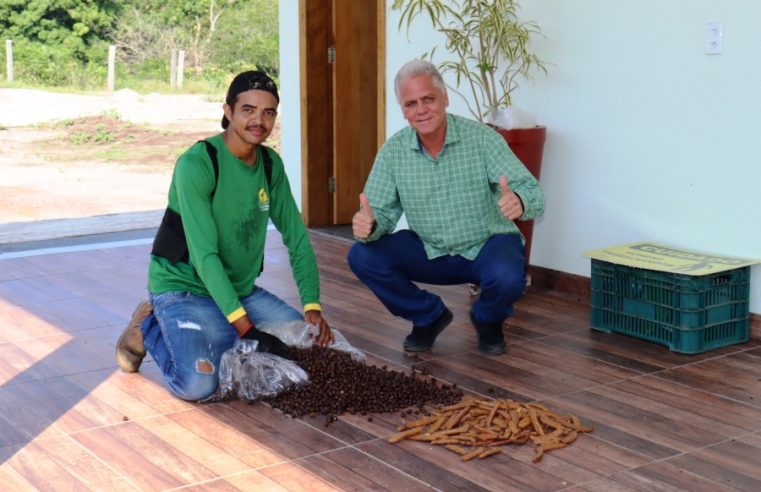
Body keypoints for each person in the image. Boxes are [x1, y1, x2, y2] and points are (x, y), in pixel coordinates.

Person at [116, 70, 334, 401]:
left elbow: (297, 238)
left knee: (307, 346)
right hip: (185, 288)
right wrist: (246, 329)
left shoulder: (270, 165)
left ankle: (224, 332)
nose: (259, 120)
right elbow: (204, 256)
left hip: (239, 291)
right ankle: (147, 330)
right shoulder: (198, 163)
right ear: (228, 111)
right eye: (248, 109)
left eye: (268, 112)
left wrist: (312, 306)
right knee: (199, 384)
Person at [347, 59, 544, 355]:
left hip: (486, 245)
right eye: (411, 104)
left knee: (507, 276)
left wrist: (520, 200)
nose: (421, 110)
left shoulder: (482, 139)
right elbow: (379, 214)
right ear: (403, 110)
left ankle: (487, 319)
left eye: (428, 99)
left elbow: (533, 192)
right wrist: (369, 225)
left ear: (445, 98)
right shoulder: (393, 152)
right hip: (430, 249)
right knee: (362, 256)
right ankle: (428, 316)